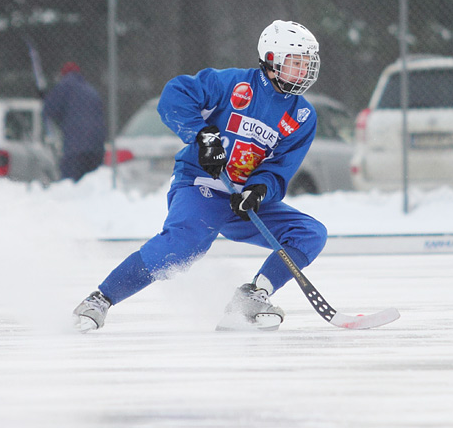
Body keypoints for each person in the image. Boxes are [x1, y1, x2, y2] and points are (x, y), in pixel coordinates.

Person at [73, 20, 326, 332]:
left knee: (310, 233)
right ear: (271, 61)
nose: (303, 71)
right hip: (200, 186)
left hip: (240, 200)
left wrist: (259, 190)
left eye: (306, 64)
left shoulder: (302, 116)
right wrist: (204, 136)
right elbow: (175, 94)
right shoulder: (233, 84)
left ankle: (252, 296)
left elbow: (280, 167)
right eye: (295, 63)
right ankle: (100, 300)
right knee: (183, 246)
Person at [42, 62, 106, 182]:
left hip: (75, 148)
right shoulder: (91, 90)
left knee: (71, 184)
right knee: (92, 184)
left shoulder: (64, 86)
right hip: (97, 147)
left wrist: (45, 97)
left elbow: (49, 110)